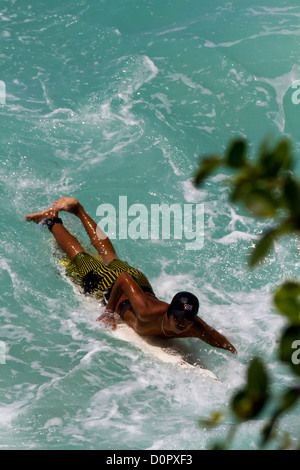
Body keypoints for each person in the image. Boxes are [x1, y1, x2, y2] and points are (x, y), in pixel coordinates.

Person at [25, 197, 237, 355]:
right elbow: (124, 279)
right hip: (112, 282)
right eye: (179, 318)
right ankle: (52, 219)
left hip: (140, 282)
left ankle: (78, 210)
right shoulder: (147, 311)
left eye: (188, 320)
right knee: (77, 255)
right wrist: (109, 312)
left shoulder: (193, 327)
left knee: (109, 254)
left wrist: (233, 352)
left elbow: (216, 338)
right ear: (169, 313)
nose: (182, 324)